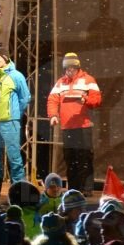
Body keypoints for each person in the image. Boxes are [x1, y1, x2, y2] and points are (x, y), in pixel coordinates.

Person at [47, 52, 102, 194]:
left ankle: (87, 188)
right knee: (70, 159)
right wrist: (53, 115)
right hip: (67, 128)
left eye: (71, 68)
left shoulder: (88, 80)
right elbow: (52, 99)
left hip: (83, 127)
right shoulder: (60, 83)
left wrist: (86, 100)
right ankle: (73, 188)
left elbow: (96, 99)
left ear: (77, 67)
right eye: (66, 68)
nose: (69, 71)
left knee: (84, 158)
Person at [0, 48, 30, 190]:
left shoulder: (16, 76)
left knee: (14, 156)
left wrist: (15, 112)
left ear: (5, 59)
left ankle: (18, 188)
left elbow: (25, 97)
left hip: (10, 122)